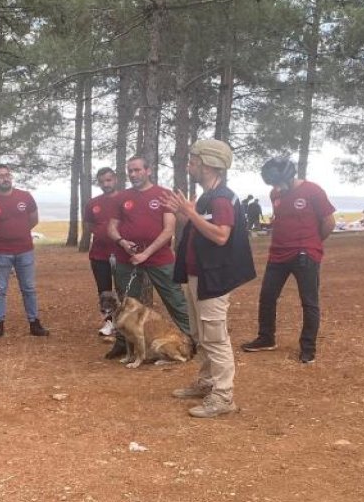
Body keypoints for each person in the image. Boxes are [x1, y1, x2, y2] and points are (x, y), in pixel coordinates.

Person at [162, 139, 256, 419]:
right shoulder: (207, 197)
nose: (189, 165)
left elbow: (220, 235)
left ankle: (223, 396)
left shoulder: (221, 198)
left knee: (215, 337)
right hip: (198, 275)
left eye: (193, 160)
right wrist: (185, 214)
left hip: (213, 278)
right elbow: (198, 231)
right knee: (200, 335)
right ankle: (207, 382)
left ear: (207, 164)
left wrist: (190, 212)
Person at [240, 155, 335, 363]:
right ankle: (266, 338)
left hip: (305, 255)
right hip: (278, 254)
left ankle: (308, 348)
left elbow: (328, 221)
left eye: (279, 183)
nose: (277, 187)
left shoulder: (313, 190)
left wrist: (313, 242)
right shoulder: (275, 193)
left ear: (290, 176)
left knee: (309, 302)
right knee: (267, 296)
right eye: (273, 184)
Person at [104, 156, 192, 359]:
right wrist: (122, 243)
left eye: (137, 170)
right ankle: (124, 344)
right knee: (125, 305)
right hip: (128, 258)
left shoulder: (163, 194)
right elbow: (111, 227)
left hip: (159, 258)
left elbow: (169, 230)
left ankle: (190, 340)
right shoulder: (122, 197)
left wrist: (146, 253)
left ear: (148, 170)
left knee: (175, 299)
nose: (133, 174)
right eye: (130, 171)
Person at [0, 163, 49, 338]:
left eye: (7, 174)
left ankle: (34, 323)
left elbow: (33, 220)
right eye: (0, 176)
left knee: (29, 288)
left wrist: (19, 232)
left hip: (25, 251)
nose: (5, 178)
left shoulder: (25, 197)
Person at [85, 167, 119, 336]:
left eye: (109, 180)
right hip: (99, 254)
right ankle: (108, 323)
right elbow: (91, 226)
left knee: (123, 291)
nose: (106, 184)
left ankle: (124, 323)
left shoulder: (124, 199)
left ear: (115, 180)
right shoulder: (93, 203)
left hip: (122, 254)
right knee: (104, 291)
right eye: (102, 181)